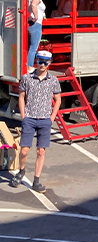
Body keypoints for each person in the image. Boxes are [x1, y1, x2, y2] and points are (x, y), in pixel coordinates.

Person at [11, 50, 61, 193]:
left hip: (45, 120)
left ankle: (36, 181)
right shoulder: (27, 78)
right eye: (40, 61)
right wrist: (24, 115)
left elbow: (58, 100)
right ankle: (21, 171)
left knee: (41, 151)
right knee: (25, 150)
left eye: (45, 62)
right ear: (36, 61)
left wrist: (51, 118)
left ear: (50, 63)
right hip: (30, 118)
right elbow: (21, 97)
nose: (42, 65)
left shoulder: (53, 80)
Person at [27, 0, 46, 73]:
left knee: (30, 47)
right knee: (33, 47)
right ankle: (30, 67)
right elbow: (34, 5)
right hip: (36, 23)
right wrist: (36, 16)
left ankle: (28, 65)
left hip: (31, 23)